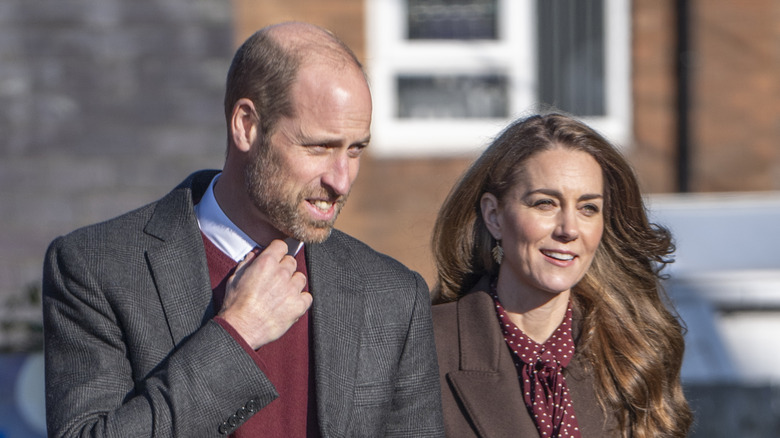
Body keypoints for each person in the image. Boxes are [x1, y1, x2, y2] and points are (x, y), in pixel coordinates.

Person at [43, 22, 444, 437]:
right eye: (319, 147)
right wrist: (237, 333)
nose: (341, 181)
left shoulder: (392, 295)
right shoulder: (96, 268)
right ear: (246, 125)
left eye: (356, 149)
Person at [430, 114, 692, 438]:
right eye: (545, 203)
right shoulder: (425, 346)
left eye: (588, 208)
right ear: (494, 215)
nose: (568, 229)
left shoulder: (633, 357)